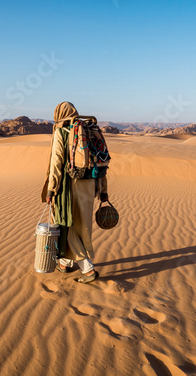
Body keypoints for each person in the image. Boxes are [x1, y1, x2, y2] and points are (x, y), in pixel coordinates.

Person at [41, 101, 108, 284]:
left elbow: (56, 163)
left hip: (68, 187)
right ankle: (64, 263)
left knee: (65, 223)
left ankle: (87, 269)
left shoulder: (61, 131)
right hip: (89, 186)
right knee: (80, 225)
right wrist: (103, 190)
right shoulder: (87, 130)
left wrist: (51, 189)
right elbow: (100, 163)